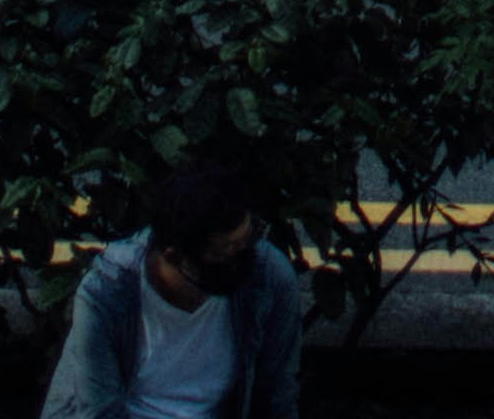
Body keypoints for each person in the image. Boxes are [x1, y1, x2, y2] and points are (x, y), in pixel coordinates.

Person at [39, 147, 301, 419]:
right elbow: (98, 410)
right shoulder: (108, 292)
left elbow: (277, 397)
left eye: (247, 239)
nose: (243, 256)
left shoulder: (268, 275)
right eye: (224, 251)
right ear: (174, 256)